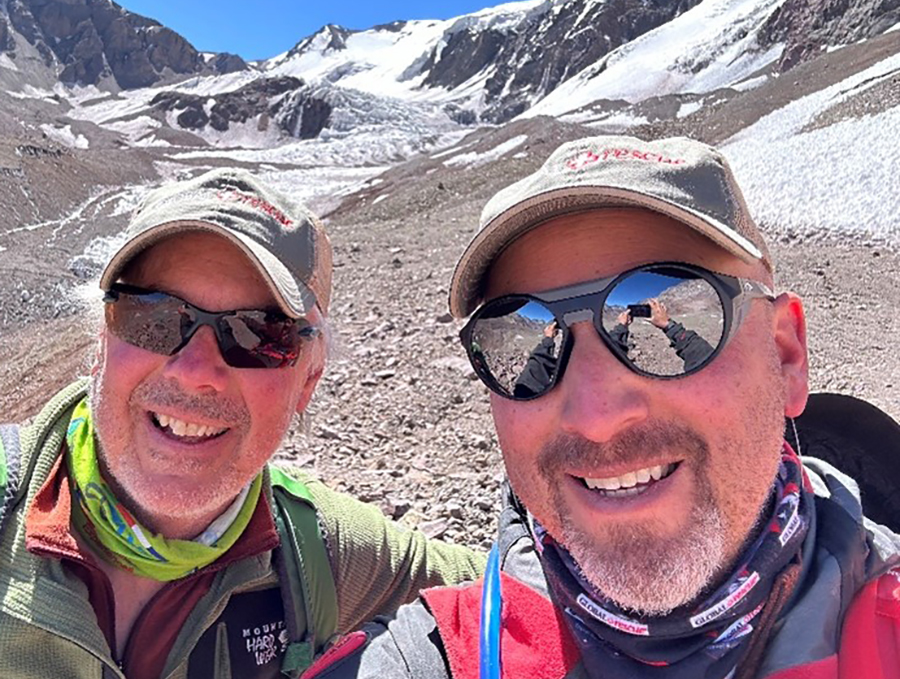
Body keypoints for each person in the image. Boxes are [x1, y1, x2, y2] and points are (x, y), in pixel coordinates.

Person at [307, 135, 900, 678]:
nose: (596, 415)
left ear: (785, 355)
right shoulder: (434, 659)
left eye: (664, 295)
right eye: (521, 329)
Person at [0, 169, 485, 678]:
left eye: (256, 335)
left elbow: (519, 598)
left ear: (309, 381)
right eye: (154, 317)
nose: (194, 372)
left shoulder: (319, 551)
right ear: (101, 340)